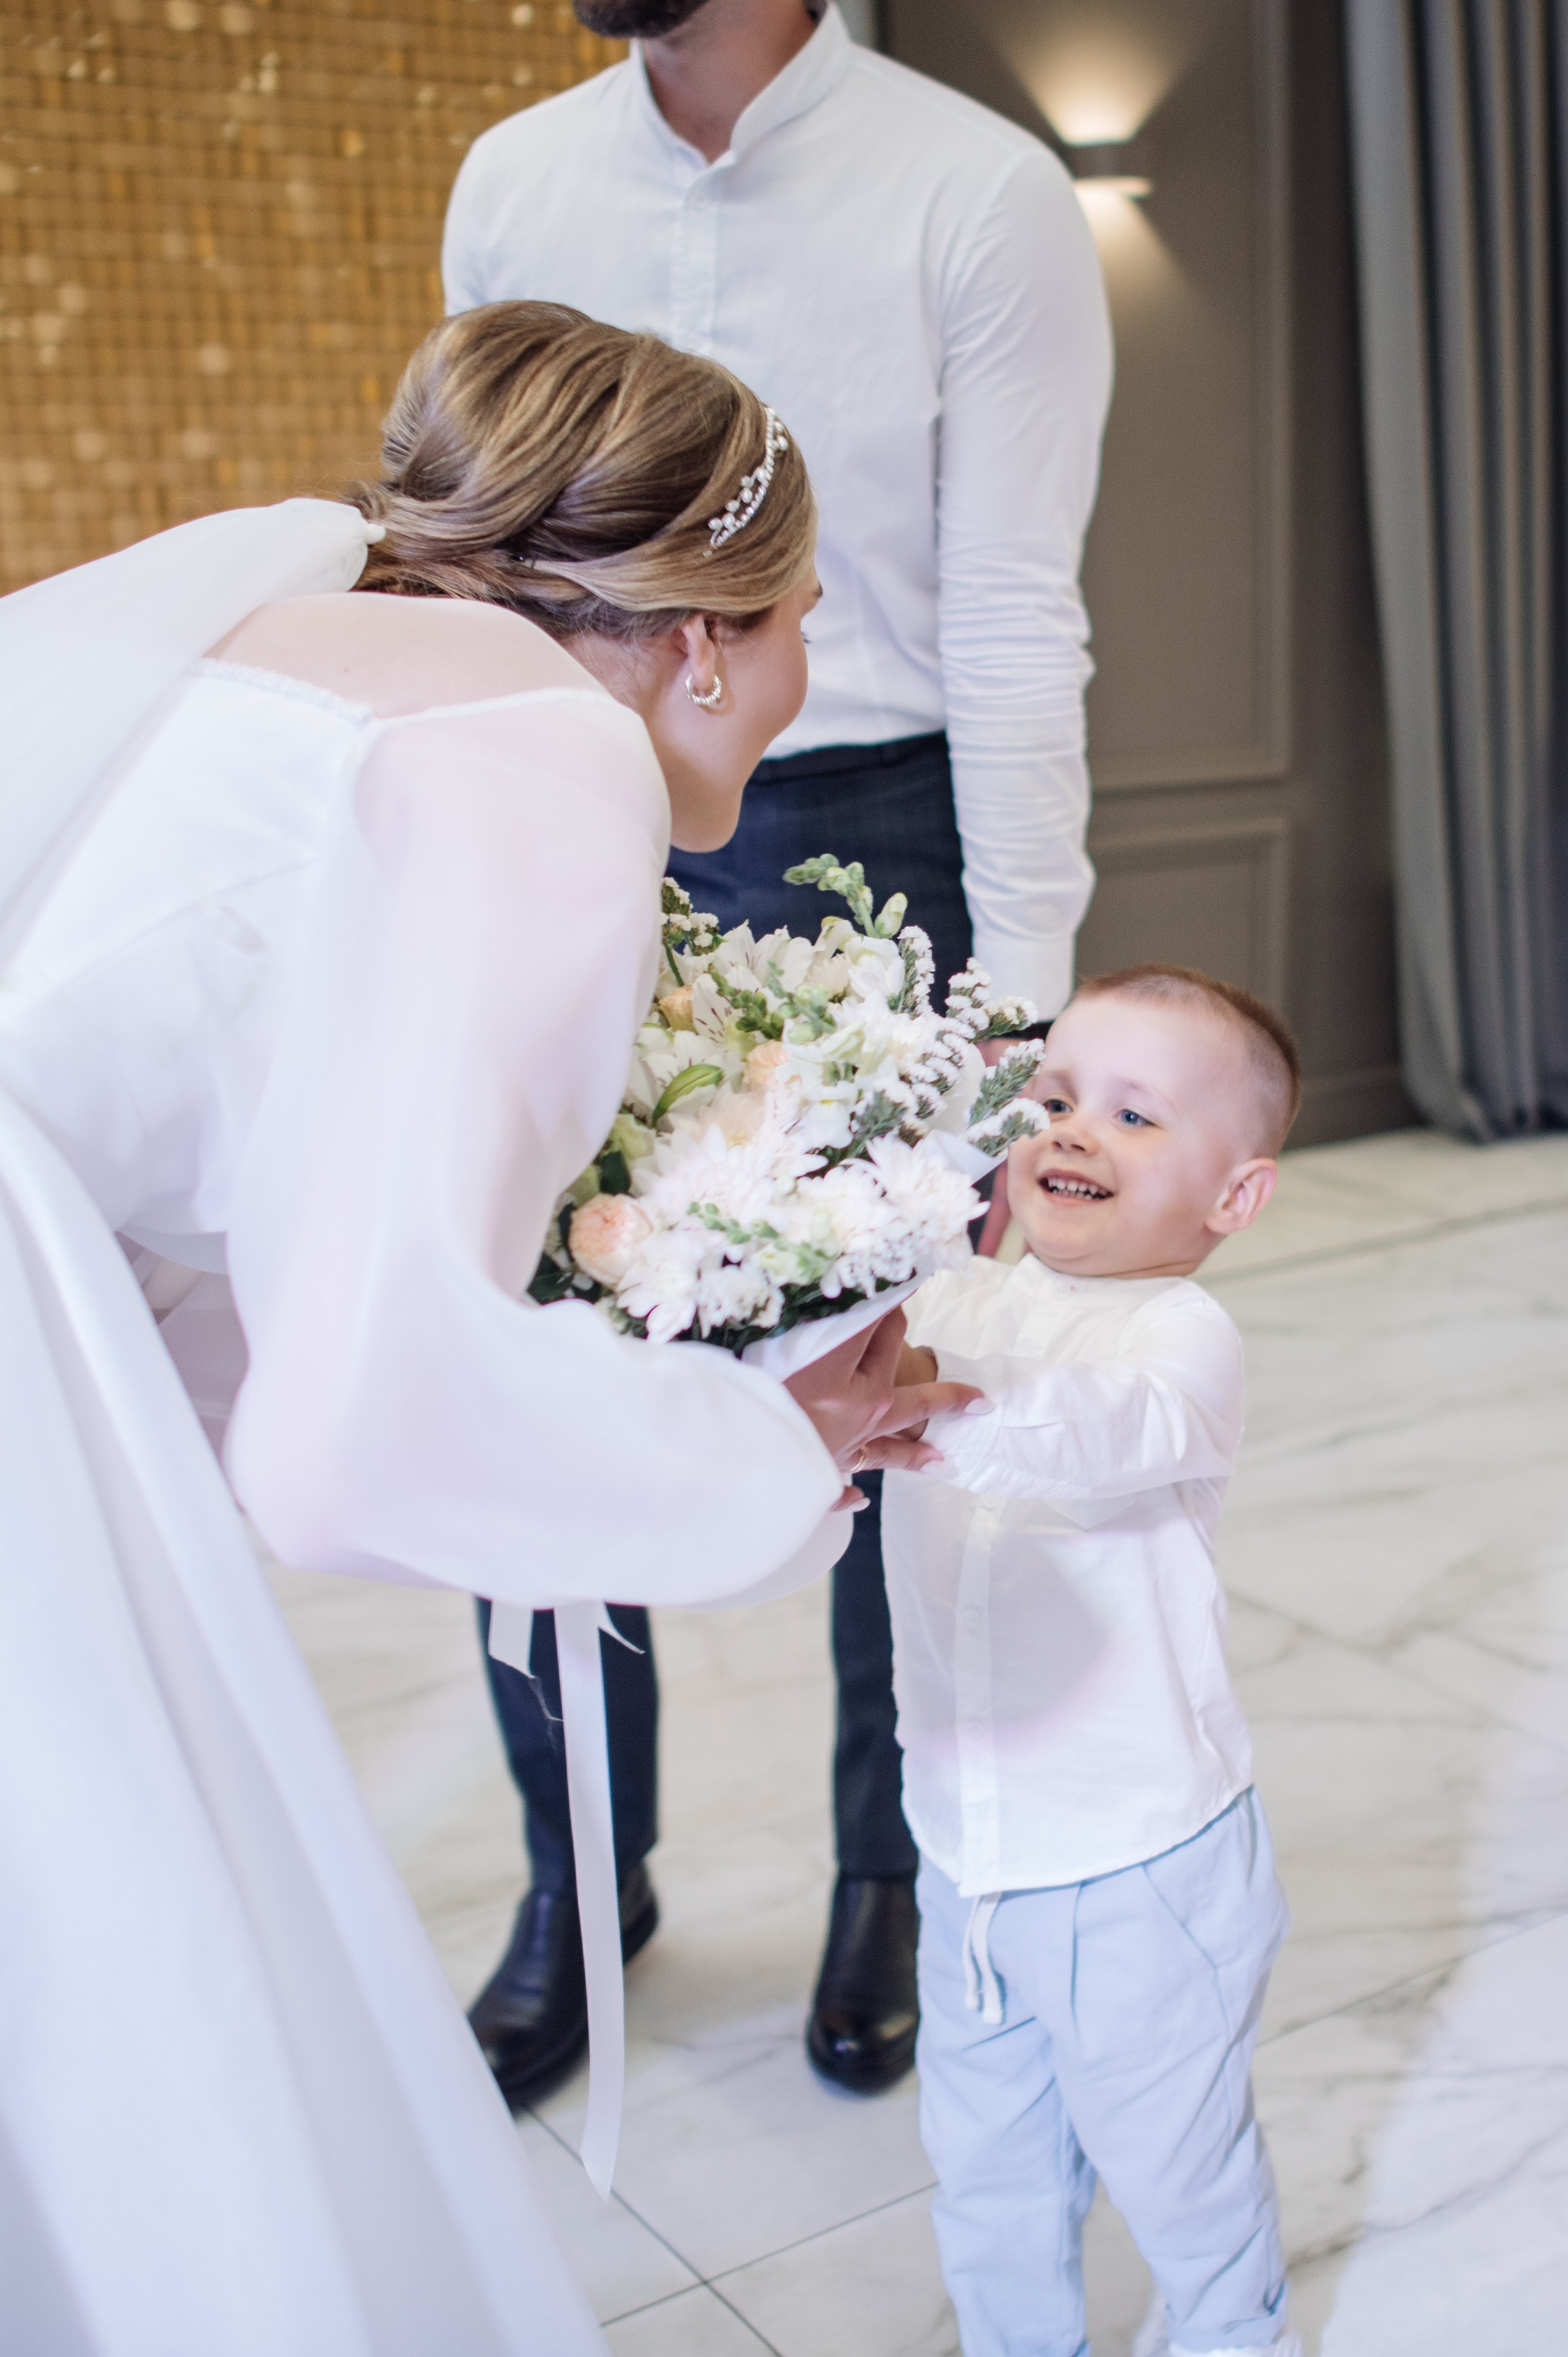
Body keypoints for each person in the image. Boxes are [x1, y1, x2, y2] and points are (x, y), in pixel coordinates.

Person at [0, 299, 969, 2351]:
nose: (804, 687)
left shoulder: (293, 613)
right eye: (800, 621)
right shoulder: (545, 761)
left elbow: (207, 1221)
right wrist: (765, 1453)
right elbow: (348, 1424)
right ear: (702, 640)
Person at [445, 0, 1113, 2105]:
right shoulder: (510, 184)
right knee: (525, 1363)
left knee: (887, 1384)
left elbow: (1014, 606)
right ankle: (578, 1881)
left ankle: (880, 1877)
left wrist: (1020, 997)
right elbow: (481, 577)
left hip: (883, 831)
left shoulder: (977, 190)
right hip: (581, 823)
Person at [881, 966, 1305, 2357]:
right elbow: (874, 1288)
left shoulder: (1182, 1341)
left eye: (1132, 1115)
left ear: (1231, 1199)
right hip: (966, 1849)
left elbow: (1079, 1431)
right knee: (987, 2169)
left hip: (1140, 1865)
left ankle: (1232, 2335)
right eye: (1054, 1097)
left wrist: (915, 1408)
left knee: (1176, 2171)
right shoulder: (966, 1294)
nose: (1071, 1131)